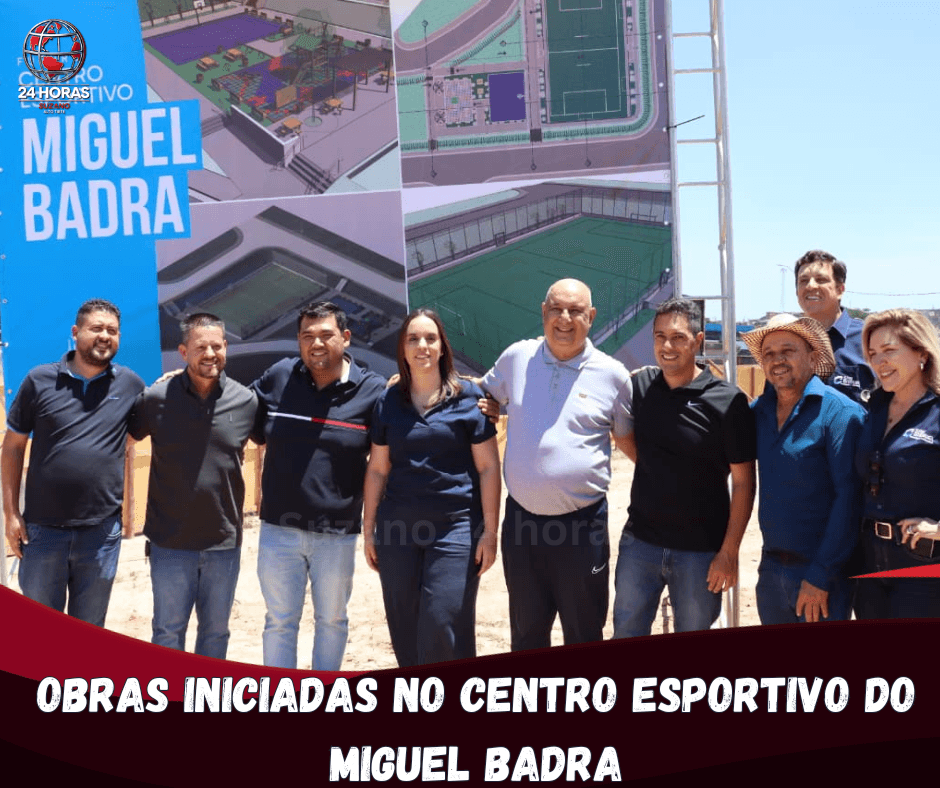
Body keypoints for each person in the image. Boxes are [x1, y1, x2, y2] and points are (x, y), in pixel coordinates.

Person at [481, 278, 633, 650]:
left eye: (575, 310)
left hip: (582, 529)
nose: (564, 319)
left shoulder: (613, 375)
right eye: (556, 309)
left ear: (592, 316)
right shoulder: (516, 358)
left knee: (584, 632)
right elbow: (482, 394)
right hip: (522, 525)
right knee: (527, 633)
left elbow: (631, 444)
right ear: (543, 312)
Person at [251, 301, 386, 671]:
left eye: (326, 335)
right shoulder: (280, 376)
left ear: (345, 337)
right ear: (298, 340)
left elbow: (390, 453)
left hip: (337, 534)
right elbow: (234, 408)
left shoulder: (373, 392)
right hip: (278, 530)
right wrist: (178, 384)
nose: (316, 343)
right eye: (307, 336)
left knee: (332, 621)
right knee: (279, 622)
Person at [362, 309, 500, 666]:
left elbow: (487, 468)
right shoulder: (387, 402)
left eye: (430, 338)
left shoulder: (471, 398)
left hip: (455, 528)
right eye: (413, 339)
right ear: (403, 350)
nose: (422, 345)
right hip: (397, 530)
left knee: (442, 622)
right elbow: (377, 469)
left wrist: (490, 532)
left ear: (442, 348)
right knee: (404, 627)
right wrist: (368, 530)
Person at [613, 299, 756, 637]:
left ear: (699, 340)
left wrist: (729, 552)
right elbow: (625, 439)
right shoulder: (641, 386)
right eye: (659, 336)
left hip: (700, 553)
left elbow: (745, 482)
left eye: (677, 337)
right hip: (640, 545)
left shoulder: (728, 400)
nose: (666, 346)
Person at [1, 299, 144, 626]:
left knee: (89, 632)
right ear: (76, 332)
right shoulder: (39, 381)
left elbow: (134, 434)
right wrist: (10, 513)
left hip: (101, 535)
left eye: (112, 330)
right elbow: (11, 448)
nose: (105, 335)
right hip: (42, 532)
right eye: (97, 328)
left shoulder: (130, 384)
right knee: (42, 633)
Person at [128, 313, 258, 659]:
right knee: (168, 633)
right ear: (184, 351)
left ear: (226, 348)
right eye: (201, 347)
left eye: (217, 345)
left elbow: (271, 442)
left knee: (216, 635)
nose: (210, 353)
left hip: (223, 543)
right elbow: (122, 439)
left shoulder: (246, 401)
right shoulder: (156, 398)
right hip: (170, 545)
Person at [743, 314, 865, 624]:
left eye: (788, 350)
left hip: (822, 576)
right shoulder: (759, 412)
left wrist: (820, 576)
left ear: (813, 358)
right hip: (771, 570)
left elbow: (848, 500)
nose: (777, 360)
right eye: (768, 353)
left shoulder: (841, 414)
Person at [854, 309, 940, 618]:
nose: (879, 362)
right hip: (869, 565)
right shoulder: (871, 409)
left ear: (921, 352)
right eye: (873, 354)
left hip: (925, 568)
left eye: (890, 350)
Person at [794, 249, 874, 404]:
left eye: (821, 279)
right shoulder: (786, 341)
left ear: (840, 290)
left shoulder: (868, 339)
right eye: (803, 281)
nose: (810, 286)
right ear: (797, 292)